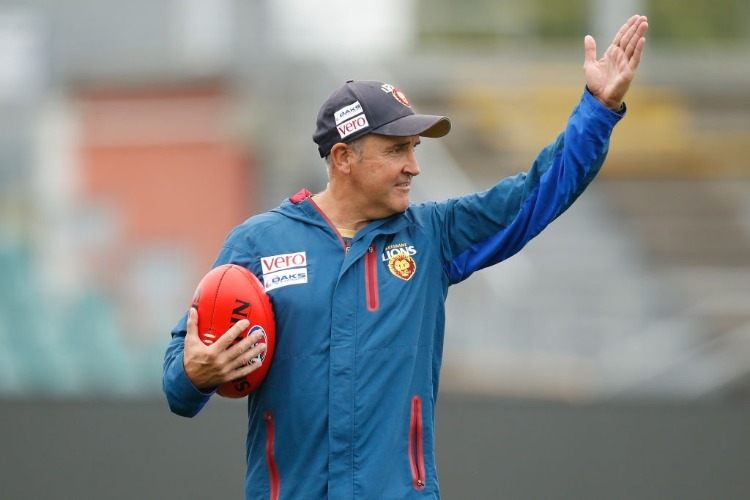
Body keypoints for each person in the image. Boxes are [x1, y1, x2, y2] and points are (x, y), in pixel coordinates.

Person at [163, 15, 648, 499]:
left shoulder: (433, 235)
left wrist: (599, 108)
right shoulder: (256, 244)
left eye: (414, 148)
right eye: (397, 150)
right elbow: (179, 377)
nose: (414, 167)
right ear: (342, 159)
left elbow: (536, 194)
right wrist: (195, 375)